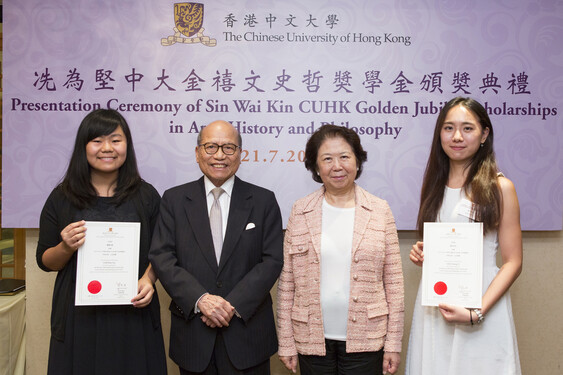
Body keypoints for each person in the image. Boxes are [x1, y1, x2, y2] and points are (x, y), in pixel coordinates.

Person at [36, 109, 167, 374]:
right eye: (97, 140)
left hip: (133, 313)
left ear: (127, 146)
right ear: (83, 147)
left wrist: (149, 280)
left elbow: (162, 252)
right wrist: (65, 246)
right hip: (77, 317)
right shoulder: (62, 197)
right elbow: (45, 262)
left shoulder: (147, 196)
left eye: (115, 140)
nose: (107, 148)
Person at [149, 120, 284, 374]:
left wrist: (231, 304)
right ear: (198, 153)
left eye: (229, 148)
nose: (220, 155)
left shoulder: (264, 200)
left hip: (248, 335)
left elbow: (272, 259)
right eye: (211, 147)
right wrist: (201, 300)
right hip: (194, 336)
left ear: (240, 155)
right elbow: (162, 256)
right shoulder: (174, 200)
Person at [405, 97, 523, 374]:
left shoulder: (500, 187)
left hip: (481, 305)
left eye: (467, 128)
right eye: (448, 128)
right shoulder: (433, 186)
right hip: (437, 304)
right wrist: (424, 253)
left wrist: (477, 311)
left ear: (484, 134)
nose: (457, 136)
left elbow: (513, 261)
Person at [276, 124, 405, 375]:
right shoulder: (300, 211)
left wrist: (393, 343)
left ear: (358, 161)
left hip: (367, 339)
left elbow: (394, 283)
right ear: (315, 166)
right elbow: (287, 282)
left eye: (345, 157)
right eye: (327, 159)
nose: (337, 166)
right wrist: (287, 342)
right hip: (311, 340)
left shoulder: (379, 210)